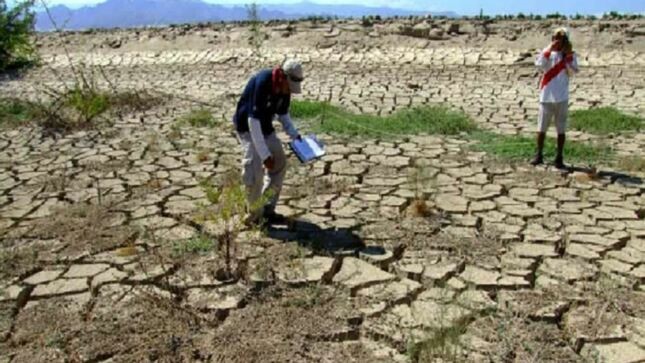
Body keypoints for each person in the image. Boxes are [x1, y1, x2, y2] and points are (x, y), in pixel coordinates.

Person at [233, 59, 303, 225]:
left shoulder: (285, 89)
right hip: (248, 128)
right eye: (289, 87)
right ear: (284, 77)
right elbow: (253, 122)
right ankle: (254, 214)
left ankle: (266, 209)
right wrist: (265, 155)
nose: (289, 91)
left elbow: (283, 114)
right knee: (253, 169)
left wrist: (295, 135)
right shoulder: (263, 81)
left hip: (265, 127)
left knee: (279, 164)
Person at [531, 27, 579, 169]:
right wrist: (549, 50)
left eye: (561, 39)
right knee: (541, 128)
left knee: (561, 130)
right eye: (555, 38)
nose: (557, 41)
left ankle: (559, 157)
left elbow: (572, 72)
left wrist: (567, 58)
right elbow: (539, 64)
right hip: (546, 97)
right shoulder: (547, 52)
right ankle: (539, 155)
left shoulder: (570, 55)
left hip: (562, 98)